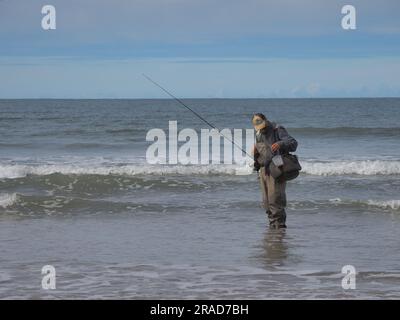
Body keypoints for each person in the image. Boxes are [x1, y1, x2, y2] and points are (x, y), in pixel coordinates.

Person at [252, 113, 298, 229]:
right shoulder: (257, 133)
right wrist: (255, 154)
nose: (259, 128)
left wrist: (280, 143)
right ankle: (272, 229)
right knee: (266, 203)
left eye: (260, 123)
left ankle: (280, 228)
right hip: (263, 170)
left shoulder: (277, 129)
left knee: (275, 200)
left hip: (276, 168)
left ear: (265, 120)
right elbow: (262, 151)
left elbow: (293, 143)